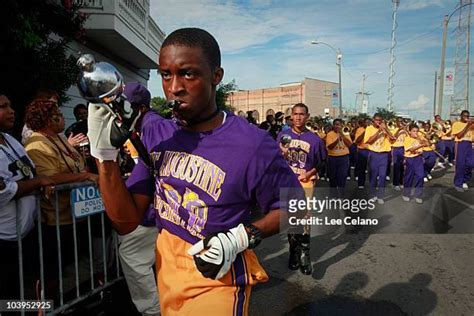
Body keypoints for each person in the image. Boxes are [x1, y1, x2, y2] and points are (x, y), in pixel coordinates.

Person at [87, 28, 300, 315]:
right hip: (167, 272)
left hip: (217, 279)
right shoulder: (160, 135)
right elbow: (126, 221)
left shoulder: (252, 144)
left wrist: (242, 237)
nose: (174, 87)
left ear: (216, 76)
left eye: (188, 74)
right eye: (165, 75)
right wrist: (104, 156)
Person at [23, 98, 98, 299]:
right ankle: (46, 307)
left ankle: (69, 301)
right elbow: (49, 178)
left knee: (73, 266)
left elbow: (77, 165)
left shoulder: (59, 138)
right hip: (55, 221)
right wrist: (84, 176)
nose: (62, 117)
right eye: (57, 114)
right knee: (52, 274)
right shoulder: (36, 143)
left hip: (75, 216)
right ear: (47, 119)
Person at [0, 94, 59, 300]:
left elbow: (29, 171)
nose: (11, 110)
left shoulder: (10, 140)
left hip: (27, 232)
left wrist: (37, 181)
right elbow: (3, 191)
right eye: (3, 107)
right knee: (8, 297)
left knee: (31, 285)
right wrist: (38, 182)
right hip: (4, 239)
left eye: (10, 105)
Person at [118, 82, 161, 316]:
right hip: (155, 209)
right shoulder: (143, 126)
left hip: (153, 211)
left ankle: (153, 311)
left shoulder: (152, 124)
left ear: (139, 108)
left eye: (123, 107)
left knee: (131, 254)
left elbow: (155, 166)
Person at [277, 103, 324, 275]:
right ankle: (293, 253)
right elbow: (276, 159)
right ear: (291, 116)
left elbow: (321, 162)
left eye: (301, 114)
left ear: (307, 116)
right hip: (288, 184)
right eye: (295, 114)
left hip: (305, 184)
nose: (298, 117)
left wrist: (310, 172)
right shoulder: (283, 135)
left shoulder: (315, 139)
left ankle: (305, 254)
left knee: (304, 219)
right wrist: (282, 153)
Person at [363, 113, 396, 204]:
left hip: (384, 155)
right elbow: (369, 141)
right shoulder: (369, 128)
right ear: (373, 120)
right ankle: (373, 195)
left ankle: (380, 195)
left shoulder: (385, 129)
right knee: (373, 176)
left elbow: (393, 139)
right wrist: (378, 132)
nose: (378, 122)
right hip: (374, 154)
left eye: (380, 120)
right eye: (377, 120)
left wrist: (386, 130)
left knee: (382, 176)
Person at [325, 119, 352, 191]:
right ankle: (333, 194)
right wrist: (337, 140)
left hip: (344, 158)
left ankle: (341, 194)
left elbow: (349, 145)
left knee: (342, 176)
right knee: (332, 177)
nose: (337, 126)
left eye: (339, 124)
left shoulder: (345, 133)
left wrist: (342, 135)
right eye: (335, 124)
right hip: (332, 158)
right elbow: (330, 147)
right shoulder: (330, 134)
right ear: (333, 126)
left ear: (341, 126)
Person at [451, 110, 474, 192]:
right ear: (461, 116)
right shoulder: (456, 124)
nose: (467, 118)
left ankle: (465, 179)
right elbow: (459, 136)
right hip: (460, 144)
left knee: (471, 163)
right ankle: (458, 183)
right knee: (460, 164)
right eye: (465, 116)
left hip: (469, 144)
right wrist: (468, 125)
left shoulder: (471, 126)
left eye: (468, 116)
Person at [402, 124, 425, 203]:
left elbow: (425, 146)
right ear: (409, 132)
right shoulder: (407, 139)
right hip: (410, 159)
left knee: (421, 176)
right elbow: (411, 149)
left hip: (418, 159)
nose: (416, 133)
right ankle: (406, 194)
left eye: (417, 131)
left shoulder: (420, 138)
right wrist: (421, 145)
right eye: (414, 131)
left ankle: (418, 195)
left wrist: (427, 141)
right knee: (409, 177)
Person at [391, 117, 407, 191]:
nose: (400, 123)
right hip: (396, 148)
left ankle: (401, 182)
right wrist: (399, 130)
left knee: (402, 167)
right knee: (396, 166)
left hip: (403, 148)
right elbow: (393, 137)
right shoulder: (393, 129)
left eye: (401, 121)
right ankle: (395, 183)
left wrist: (406, 129)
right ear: (396, 122)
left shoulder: (405, 130)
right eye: (399, 121)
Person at [354, 118, 368, 189]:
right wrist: (365, 132)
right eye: (366, 122)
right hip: (362, 150)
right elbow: (357, 141)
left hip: (372, 151)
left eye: (369, 123)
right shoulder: (360, 130)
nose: (368, 124)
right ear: (363, 123)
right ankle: (361, 183)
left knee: (372, 168)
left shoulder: (374, 130)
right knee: (361, 168)